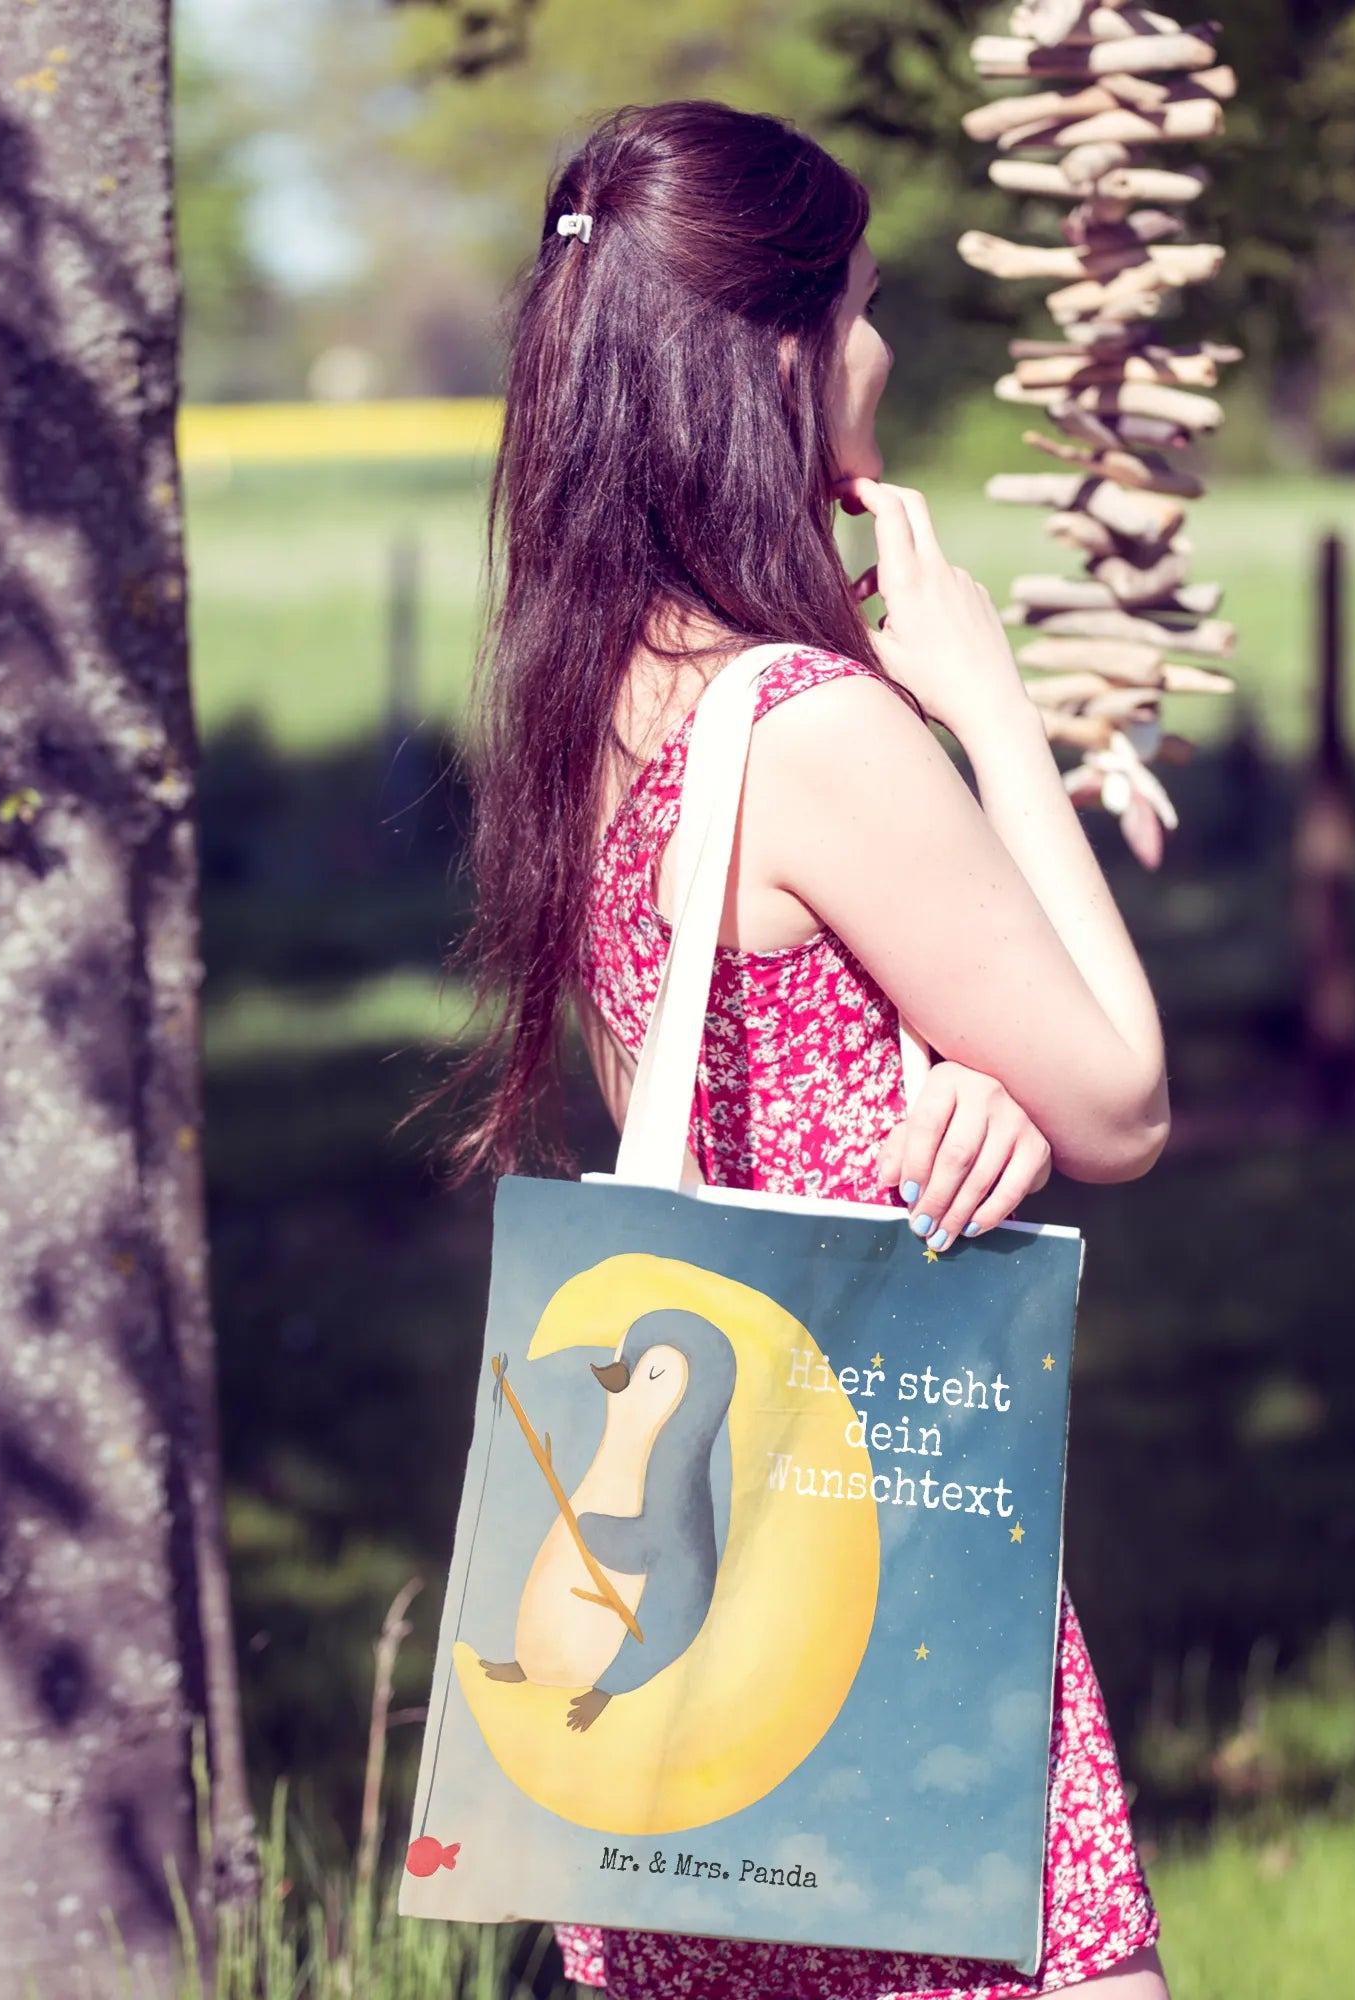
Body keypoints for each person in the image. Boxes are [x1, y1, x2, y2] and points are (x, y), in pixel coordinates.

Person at [444, 98, 1173, 2000]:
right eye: (857, 307)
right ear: (777, 353)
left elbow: (719, 1079)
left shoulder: (594, 693)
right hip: (881, 1560)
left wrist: (956, 1074)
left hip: (696, 1656)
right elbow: (1122, 1099)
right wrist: (991, 712)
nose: (883, 351)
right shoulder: (814, 729)